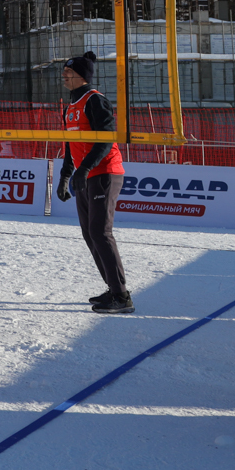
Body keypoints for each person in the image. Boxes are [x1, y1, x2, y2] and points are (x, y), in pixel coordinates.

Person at [56, 51, 132, 314]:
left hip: (105, 172)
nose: (64, 76)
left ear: (82, 76)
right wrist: (66, 174)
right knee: (90, 234)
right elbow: (70, 144)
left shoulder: (94, 100)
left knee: (101, 232)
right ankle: (114, 289)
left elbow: (107, 137)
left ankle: (121, 298)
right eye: (64, 72)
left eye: (69, 72)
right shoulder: (70, 105)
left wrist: (85, 168)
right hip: (85, 175)